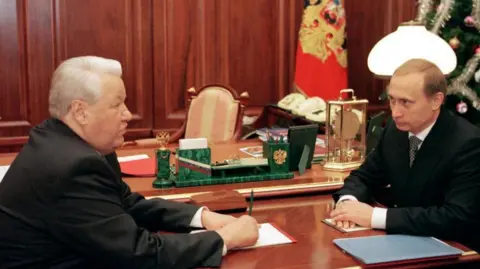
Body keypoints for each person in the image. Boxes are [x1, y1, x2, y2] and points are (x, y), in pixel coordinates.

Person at [0, 56, 259, 269]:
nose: (127, 115)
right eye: (117, 105)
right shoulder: (72, 167)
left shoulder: (67, 141)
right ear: (80, 111)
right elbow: (139, 253)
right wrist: (225, 239)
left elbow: (125, 204)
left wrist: (202, 218)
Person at [330, 58, 480, 251]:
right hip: (402, 242)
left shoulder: (468, 143)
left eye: (405, 102)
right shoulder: (396, 131)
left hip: (454, 251)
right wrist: (348, 205)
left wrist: (374, 217)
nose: (395, 112)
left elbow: (455, 217)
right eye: (392, 100)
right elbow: (364, 176)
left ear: (436, 100)